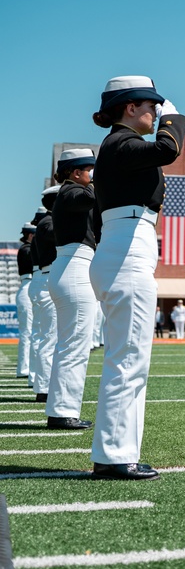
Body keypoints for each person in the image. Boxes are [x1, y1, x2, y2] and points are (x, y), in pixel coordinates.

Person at [89, 74, 185, 479]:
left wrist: (164, 117)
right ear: (130, 107)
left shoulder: (119, 148)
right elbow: (169, 149)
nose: (155, 112)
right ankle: (113, 456)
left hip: (124, 246)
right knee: (128, 360)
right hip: (128, 249)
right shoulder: (122, 143)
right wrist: (175, 118)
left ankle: (116, 450)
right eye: (151, 106)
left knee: (128, 359)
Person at [47, 148, 98, 430]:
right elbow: (89, 196)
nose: (91, 177)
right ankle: (63, 412)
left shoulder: (68, 193)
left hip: (71, 266)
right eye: (89, 171)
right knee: (74, 347)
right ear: (76, 173)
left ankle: (61, 409)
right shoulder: (70, 192)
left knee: (70, 345)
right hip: (74, 268)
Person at [29, 185, 60, 403]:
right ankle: (44, 388)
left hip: (45, 280)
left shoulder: (46, 223)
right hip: (48, 279)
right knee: (49, 338)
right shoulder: (49, 223)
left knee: (45, 337)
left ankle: (42, 385)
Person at [15, 222, 36, 379]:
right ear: (30, 235)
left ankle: (27, 367)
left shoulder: (26, 249)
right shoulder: (26, 249)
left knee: (31, 331)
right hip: (28, 285)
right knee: (27, 331)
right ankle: (23, 369)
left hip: (30, 286)